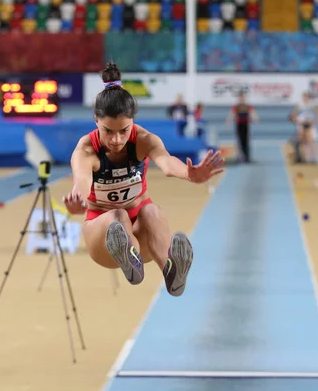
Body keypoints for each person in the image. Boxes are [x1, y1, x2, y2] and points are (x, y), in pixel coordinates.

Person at [63, 62, 224, 297]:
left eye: (124, 130)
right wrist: (79, 200)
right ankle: (129, 257)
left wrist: (190, 173)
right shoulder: (86, 150)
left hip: (142, 234)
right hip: (103, 238)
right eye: (108, 131)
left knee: (152, 211)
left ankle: (171, 272)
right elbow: (82, 180)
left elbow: (168, 163)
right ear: (96, 121)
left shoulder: (144, 139)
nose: (117, 140)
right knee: (117, 216)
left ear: (133, 123)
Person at [226, 92, 258, 163]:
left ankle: (247, 157)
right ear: (238, 99)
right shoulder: (236, 107)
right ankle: (239, 157)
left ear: (244, 99)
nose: (241, 100)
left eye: (242, 99)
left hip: (246, 125)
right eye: (240, 99)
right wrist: (228, 121)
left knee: (246, 141)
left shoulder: (247, 106)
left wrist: (255, 118)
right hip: (239, 125)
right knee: (239, 141)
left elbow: (252, 113)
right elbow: (232, 114)